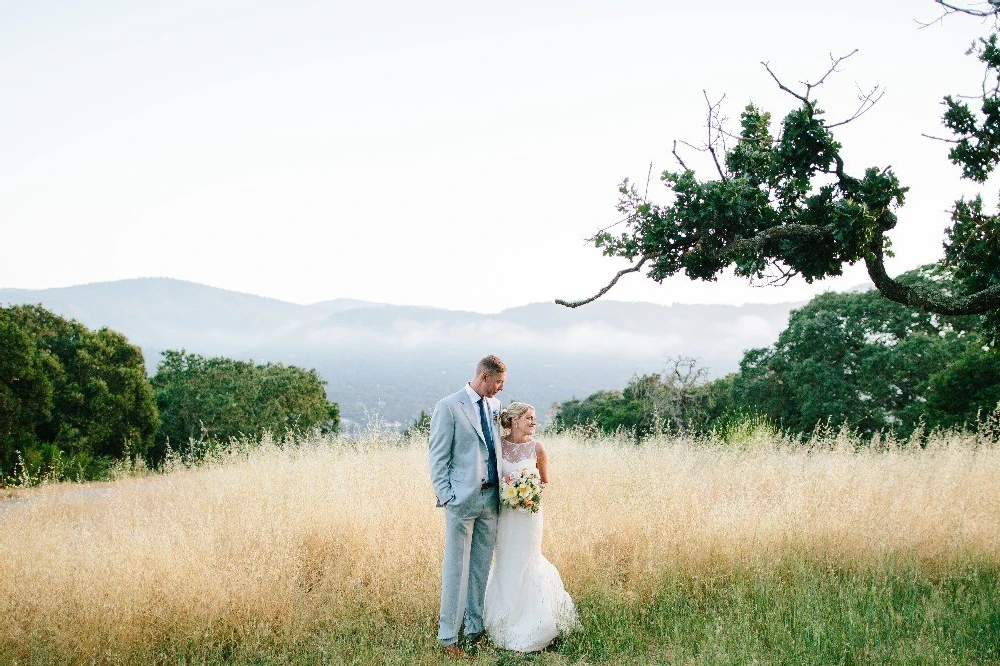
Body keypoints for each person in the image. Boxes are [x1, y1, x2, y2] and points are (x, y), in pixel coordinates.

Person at [484, 401, 579, 652]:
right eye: (529, 418)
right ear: (514, 420)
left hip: (529, 515)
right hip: (505, 515)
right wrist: (509, 493)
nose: (533, 422)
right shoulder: (498, 445)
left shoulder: (537, 448)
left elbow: (545, 482)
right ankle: (503, 619)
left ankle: (535, 621)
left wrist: (528, 494)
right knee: (505, 560)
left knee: (528, 561)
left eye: (534, 418)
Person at [428, 354, 506, 658]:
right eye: (498, 382)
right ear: (484, 377)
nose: (500, 388)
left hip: (492, 500)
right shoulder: (448, 406)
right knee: (455, 570)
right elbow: (437, 457)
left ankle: (474, 630)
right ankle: (448, 637)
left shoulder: (497, 407)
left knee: (480, 569)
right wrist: (447, 496)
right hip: (461, 501)